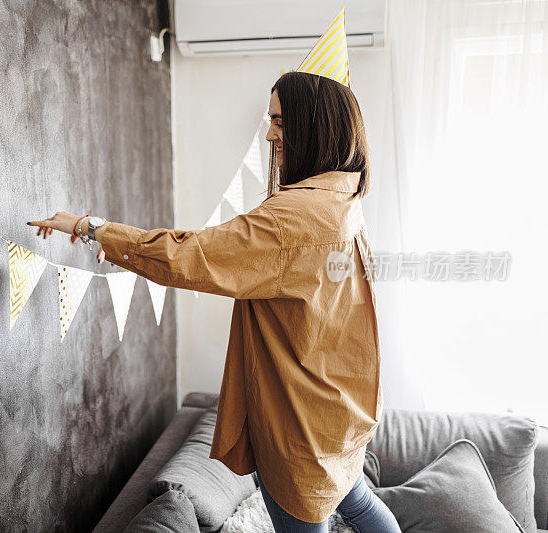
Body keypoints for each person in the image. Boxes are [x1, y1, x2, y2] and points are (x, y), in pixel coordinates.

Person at [26, 71, 401, 533]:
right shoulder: (344, 195)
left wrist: (91, 227)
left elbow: (189, 257)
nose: (270, 134)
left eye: (280, 122)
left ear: (313, 125)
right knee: (358, 501)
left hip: (299, 420)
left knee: (321, 512)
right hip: (339, 407)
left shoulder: (292, 218)